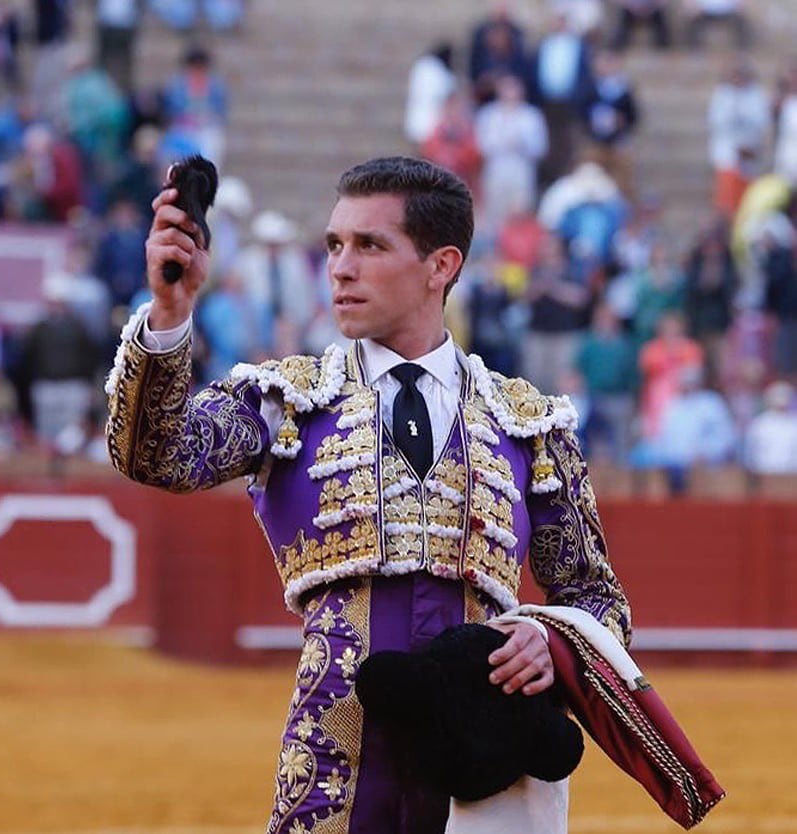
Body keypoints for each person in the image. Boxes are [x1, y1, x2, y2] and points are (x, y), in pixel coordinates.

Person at [105, 156, 630, 832]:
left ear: (440, 266)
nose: (339, 267)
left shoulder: (526, 423)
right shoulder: (285, 399)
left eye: (368, 245)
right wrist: (171, 313)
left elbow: (596, 600)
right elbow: (155, 454)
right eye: (333, 244)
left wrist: (549, 644)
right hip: (333, 760)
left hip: (484, 767)